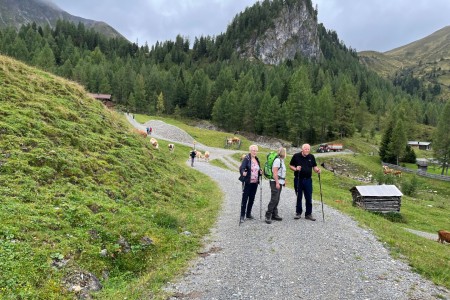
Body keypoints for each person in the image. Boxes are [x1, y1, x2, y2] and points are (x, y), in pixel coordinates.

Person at [289, 143, 321, 221]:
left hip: (308, 180)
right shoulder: (296, 156)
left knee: (309, 197)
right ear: (302, 149)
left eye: (308, 149)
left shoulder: (311, 156)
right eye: (306, 149)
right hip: (298, 179)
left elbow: (314, 166)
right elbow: (290, 165)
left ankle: (308, 214)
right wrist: (296, 169)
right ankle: (298, 213)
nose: (307, 150)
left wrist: (317, 170)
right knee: (299, 196)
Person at [239, 145, 262, 223]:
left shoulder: (257, 159)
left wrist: (260, 172)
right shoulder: (247, 159)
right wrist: (243, 172)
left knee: (252, 198)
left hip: (255, 182)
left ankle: (248, 214)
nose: (255, 152)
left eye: (256, 150)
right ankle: (242, 215)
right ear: (250, 151)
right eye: (253, 150)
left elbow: (258, 169)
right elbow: (242, 168)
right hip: (248, 182)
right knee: (245, 198)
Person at [265, 147, 287, 224]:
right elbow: (275, 172)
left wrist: (283, 181)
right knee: (274, 199)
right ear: (284, 153)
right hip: (275, 182)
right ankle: (268, 215)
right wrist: (277, 182)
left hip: (279, 182)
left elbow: (282, 172)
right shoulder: (277, 160)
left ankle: (274, 214)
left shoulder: (281, 160)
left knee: (277, 198)